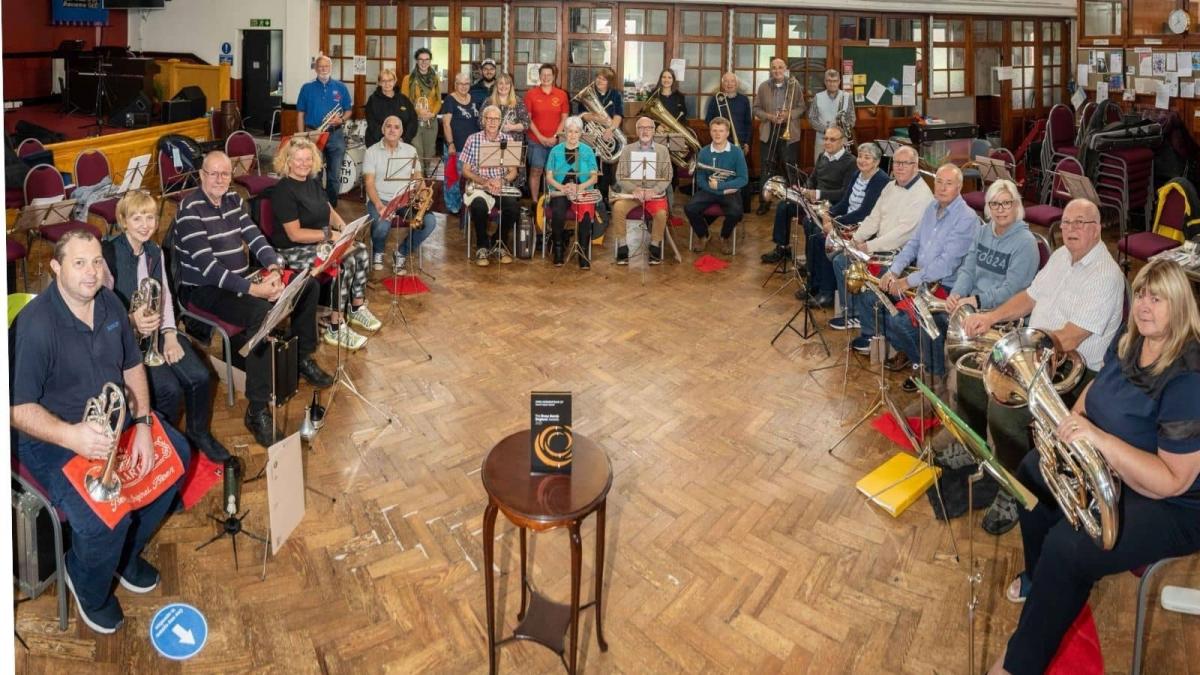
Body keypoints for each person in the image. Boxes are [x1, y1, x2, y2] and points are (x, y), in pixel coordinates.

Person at [987, 258, 1200, 675]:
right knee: (1031, 474)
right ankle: (1041, 582)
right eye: (1140, 294)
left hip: (1172, 504)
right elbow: (1095, 392)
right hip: (1109, 464)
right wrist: (1071, 424)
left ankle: (1019, 663)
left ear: (1180, 307)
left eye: (1158, 298)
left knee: (1070, 547)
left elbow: (1171, 482)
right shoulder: (1131, 339)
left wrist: (1100, 440)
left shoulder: (1188, 378)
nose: (1144, 305)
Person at [11, 229, 192, 634]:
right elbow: (16, 409)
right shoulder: (35, 327)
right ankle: (86, 581)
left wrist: (144, 423)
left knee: (175, 458)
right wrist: (71, 436)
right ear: (56, 267)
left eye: (96, 261)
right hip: (52, 439)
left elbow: (131, 367)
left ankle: (124, 557)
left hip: (113, 421)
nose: (92, 272)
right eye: (79, 263)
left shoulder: (109, 302)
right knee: (104, 522)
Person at [943, 198, 1125, 535]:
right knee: (971, 373)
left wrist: (1020, 350)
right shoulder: (1060, 257)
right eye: (1067, 223)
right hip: (1037, 353)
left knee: (1005, 410)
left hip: (1075, 371)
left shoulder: (1106, 276)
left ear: (1098, 229)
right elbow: (1031, 296)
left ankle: (1015, 490)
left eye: (1081, 223)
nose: (1071, 229)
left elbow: (1069, 338)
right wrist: (991, 317)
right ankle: (975, 450)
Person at [173, 151, 334, 446]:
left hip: (239, 279)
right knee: (261, 314)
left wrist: (274, 266)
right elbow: (208, 269)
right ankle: (257, 410)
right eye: (213, 174)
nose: (220, 179)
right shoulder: (189, 211)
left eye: (225, 174)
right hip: (205, 290)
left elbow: (256, 237)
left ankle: (302, 358)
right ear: (201, 176)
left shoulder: (232, 200)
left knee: (307, 285)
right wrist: (256, 290)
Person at [100, 191, 229, 462]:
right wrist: (131, 320)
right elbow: (102, 311)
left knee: (200, 377)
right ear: (123, 221)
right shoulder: (108, 253)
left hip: (157, 333)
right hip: (126, 342)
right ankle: (160, 444)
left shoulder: (154, 251)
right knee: (169, 389)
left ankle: (198, 433)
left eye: (150, 217)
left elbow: (165, 297)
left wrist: (170, 335)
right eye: (137, 218)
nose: (145, 224)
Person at [891, 178, 1038, 393]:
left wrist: (976, 300)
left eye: (1007, 203)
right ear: (988, 207)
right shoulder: (984, 231)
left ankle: (949, 391)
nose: (1001, 210)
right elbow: (968, 270)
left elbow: (1012, 289)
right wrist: (958, 293)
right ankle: (935, 384)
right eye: (995, 204)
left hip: (1001, 315)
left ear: (1017, 205)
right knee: (926, 321)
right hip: (973, 305)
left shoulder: (1025, 242)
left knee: (947, 338)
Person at [844, 164, 977, 359]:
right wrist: (894, 272)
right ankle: (908, 349)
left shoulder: (967, 217)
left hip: (944, 288)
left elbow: (946, 264)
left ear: (959, 187)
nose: (942, 187)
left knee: (900, 321)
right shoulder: (932, 207)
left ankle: (924, 364)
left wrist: (906, 281)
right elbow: (913, 244)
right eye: (939, 182)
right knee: (870, 299)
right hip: (919, 279)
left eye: (949, 183)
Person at [269, 136, 380, 351]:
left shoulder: (312, 182)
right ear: (287, 161)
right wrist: (329, 236)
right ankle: (335, 327)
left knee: (361, 251)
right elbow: (295, 235)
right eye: (298, 159)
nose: (304, 164)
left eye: (308, 159)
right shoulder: (283, 191)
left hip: (319, 240)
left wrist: (344, 229)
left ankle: (356, 308)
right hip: (293, 250)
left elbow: (327, 209)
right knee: (344, 260)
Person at [828, 145, 933, 330]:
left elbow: (902, 234)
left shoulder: (922, 195)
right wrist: (855, 240)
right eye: (896, 163)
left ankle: (870, 330)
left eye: (904, 164)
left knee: (860, 272)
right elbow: (874, 218)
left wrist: (869, 246)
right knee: (840, 260)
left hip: (900, 256)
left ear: (915, 166)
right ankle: (852, 314)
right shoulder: (891, 185)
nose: (899, 167)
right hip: (880, 247)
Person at [761, 126, 859, 301]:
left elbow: (845, 193)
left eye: (832, 139)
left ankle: (814, 277)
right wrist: (804, 189)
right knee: (784, 206)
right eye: (826, 139)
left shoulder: (850, 162)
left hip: (832, 206)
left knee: (811, 227)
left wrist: (818, 194)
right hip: (814, 201)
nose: (827, 142)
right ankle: (782, 247)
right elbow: (813, 178)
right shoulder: (822, 156)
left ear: (843, 141)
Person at [799, 141, 888, 306]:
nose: (862, 160)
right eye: (860, 156)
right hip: (847, 222)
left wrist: (834, 222)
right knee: (813, 233)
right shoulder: (857, 174)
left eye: (867, 158)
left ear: (876, 162)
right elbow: (845, 202)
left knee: (822, 240)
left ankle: (827, 293)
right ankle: (815, 284)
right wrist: (828, 213)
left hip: (863, 228)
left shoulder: (880, 180)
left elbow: (864, 212)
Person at [364, 116, 437, 274]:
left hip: (405, 199)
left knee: (430, 221)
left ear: (401, 131)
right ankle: (378, 251)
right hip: (380, 199)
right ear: (383, 130)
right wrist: (379, 206)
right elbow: (369, 183)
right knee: (382, 225)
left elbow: (417, 176)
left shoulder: (410, 150)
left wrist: (424, 196)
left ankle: (402, 253)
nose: (392, 130)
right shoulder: (371, 152)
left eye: (396, 127)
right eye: (388, 126)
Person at [460, 105, 520, 267]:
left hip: (499, 185)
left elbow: (513, 171)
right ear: (483, 120)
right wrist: (483, 181)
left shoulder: (507, 140)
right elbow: (465, 170)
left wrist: (500, 181)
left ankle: (498, 242)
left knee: (513, 208)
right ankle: (482, 245)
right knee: (478, 207)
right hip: (480, 185)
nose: (493, 122)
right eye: (489, 118)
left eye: (496, 119)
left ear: (500, 121)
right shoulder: (473, 139)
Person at [611, 116, 673, 266]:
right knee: (618, 208)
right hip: (632, 194)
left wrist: (655, 190)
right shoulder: (627, 149)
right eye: (641, 128)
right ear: (637, 131)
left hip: (654, 195)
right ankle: (622, 245)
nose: (645, 131)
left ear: (653, 131)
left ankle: (655, 245)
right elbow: (619, 175)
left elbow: (668, 175)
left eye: (649, 128)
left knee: (660, 213)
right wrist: (634, 188)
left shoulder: (663, 150)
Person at [685, 117, 748, 255]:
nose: (717, 134)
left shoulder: (736, 152)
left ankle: (725, 236)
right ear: (710, 132)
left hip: (729, 191)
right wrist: (711, 188)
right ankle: (704, 235)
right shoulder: (704, 152)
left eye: (721, 131)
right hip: (709, 189)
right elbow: (701, 179)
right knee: (689, 208)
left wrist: (720, 187)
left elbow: (743, 179)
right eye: (714, 130)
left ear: (727, 133)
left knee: (736, 213)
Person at [295, 53, 352, 206]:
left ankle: (331, 206)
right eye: (320, 66)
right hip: (314, 133)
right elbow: (300, 113)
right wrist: (302, 136)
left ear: (330, 68)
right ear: (315, 69)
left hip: (335, 135)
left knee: (335, 174)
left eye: (326, 66)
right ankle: (317, 205)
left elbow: (348, 110)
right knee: (315, 172)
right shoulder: (307, 88)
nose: (323, 69)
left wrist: (341, 119)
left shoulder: (341, 87)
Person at [545, 116, 599, 268]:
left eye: (576, 132)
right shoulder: (555, 151)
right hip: (560, 191)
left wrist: (580, 188)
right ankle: (558, 249)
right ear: (565, 132)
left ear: (581, 133)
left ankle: (583, 252)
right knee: (558, 211)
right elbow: (549, 177)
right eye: (570, 131)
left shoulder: (587, 151)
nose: (573, 135)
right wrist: (562, 188)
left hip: (582, 190)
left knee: (587, 213)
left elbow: (594, 178)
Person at [753, 57, 805, 215]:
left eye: (780, 67)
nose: (777, 70)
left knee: (790, 168)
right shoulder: (763, 87)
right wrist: (769, 116)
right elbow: (756, 109)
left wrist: (788, 114)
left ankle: (794, 203)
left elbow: (802, 107)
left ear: (785, 69)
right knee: (766, 168)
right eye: (774, 67)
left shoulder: (794, 86)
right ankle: (764, 202)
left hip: (789, 132)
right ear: (771, 69)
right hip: (769, 131)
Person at [704, 72, 752, 211]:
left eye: (732, 81)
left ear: (736, 84)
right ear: (723, 84)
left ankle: (743, 207)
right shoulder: (716, 100)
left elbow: (748, 123)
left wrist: (747, 142)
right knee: (721, 173)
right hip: (721, 144)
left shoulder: (743, 100)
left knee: (742, 174)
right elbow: (708, 120)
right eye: (726, 81)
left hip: (740, 143)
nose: (729, 84)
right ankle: (721, 201)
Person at [575, 67, 623, 205]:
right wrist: (595, 118)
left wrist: (611, 129)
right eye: (598, 77)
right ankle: (587, 197)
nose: (599, 81)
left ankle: (602, 201)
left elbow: (618, 115)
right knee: (589, 166)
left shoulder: (615, 95)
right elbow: (581, 114)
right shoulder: (589, 93)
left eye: (603, 79)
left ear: (609, 82)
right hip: (591, 135)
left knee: (606, 169)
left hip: (608, 136)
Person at [525, 63, 569, 205]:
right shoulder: (531, 94)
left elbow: (564, 118)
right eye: (543, 75)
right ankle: (535, 202)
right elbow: (528, 119)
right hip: (535, 140)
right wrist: (541, 137)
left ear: (554, 76)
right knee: (536, 171)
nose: (546, 77)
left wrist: (555, 137)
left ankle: (553, 201)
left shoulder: (562, 95)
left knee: (554, 173)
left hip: (556, 141)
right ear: (539, 76)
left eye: (549, 75)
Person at [488, 73, 531, 190]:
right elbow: (481, 122)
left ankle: (512, 204)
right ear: (496, 85)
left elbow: (526, 124)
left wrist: (512, 127)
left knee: (513, 178)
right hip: (493, 145)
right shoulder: (489, 101)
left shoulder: (518, 102)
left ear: (511, 86)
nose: (503, 86)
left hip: (513, 146)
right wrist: (494, 127)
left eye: (507, 83)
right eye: (500, 83)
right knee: (496, 175)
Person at [401, 47, 441, 170]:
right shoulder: (408, 79)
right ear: (417, 61)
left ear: (430, 61)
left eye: (427, 59)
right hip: (415, 121)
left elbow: (438, 100)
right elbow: (404, 101)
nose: (424, 62)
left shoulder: (435, 79)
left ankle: (426, 177)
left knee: (429, 153)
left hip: (430, 121)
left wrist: (432, 113)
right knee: (417, 153)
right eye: (421, 59)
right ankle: (419, 182)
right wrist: (418, 113)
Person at [807, 69, 855, 163]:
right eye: (829, 81)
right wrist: (826, 130)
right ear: (825, 82)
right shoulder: (818, 97)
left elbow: (852, 119)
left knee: (840, 169)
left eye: (835, 81)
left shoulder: (846, 96)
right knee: (820, 168)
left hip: (841, 140)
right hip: (822, 140)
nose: (832, 84)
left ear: (839, 82)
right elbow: (812, 118)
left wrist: (840, 131)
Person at [363, 67, 417, 148]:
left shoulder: (403, 99)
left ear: (395, 81)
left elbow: (413, 121)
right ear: (379, 83)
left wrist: (404, 139)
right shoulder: (373, 100)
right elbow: (372, 124)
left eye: (390, 80)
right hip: (378, 142)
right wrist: (388, 139)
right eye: (383, 81)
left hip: (402, 142)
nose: (387, 84)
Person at [442, 72, 481, 162]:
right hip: (457, 148)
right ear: (455, 85)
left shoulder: (473, 98)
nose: (464, 86)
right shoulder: (450, 100)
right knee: (455, 175)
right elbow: (446, 124)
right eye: (461, 84)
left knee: (471, 175)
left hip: (473, 147)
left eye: (466, 83)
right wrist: (451, 144)